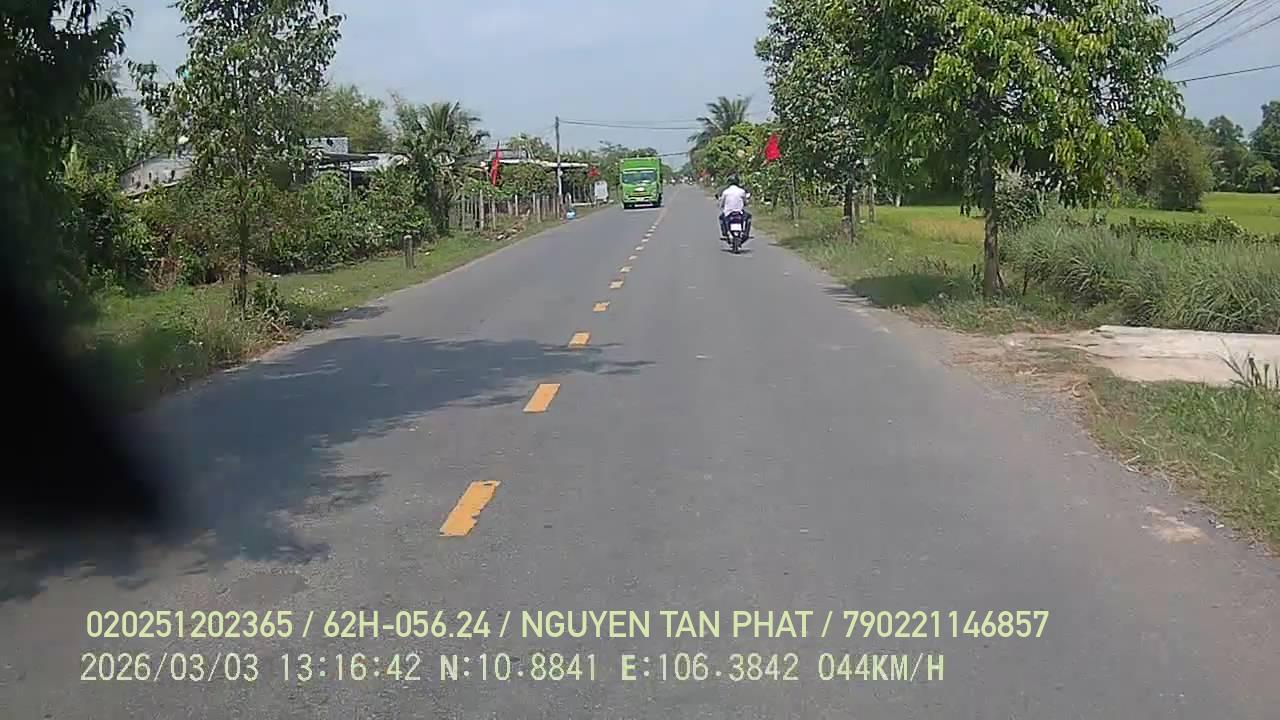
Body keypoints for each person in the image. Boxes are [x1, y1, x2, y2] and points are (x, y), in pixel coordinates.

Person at [717, 176, 751, 241]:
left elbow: (721, 204)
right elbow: (745, 202)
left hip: (728, 213)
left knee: (721, 218)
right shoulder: (742, 191)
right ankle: (746, 233)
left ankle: (725, 232)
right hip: (740, 212)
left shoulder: (725, 192)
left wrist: (721, 205)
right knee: (749, 217)